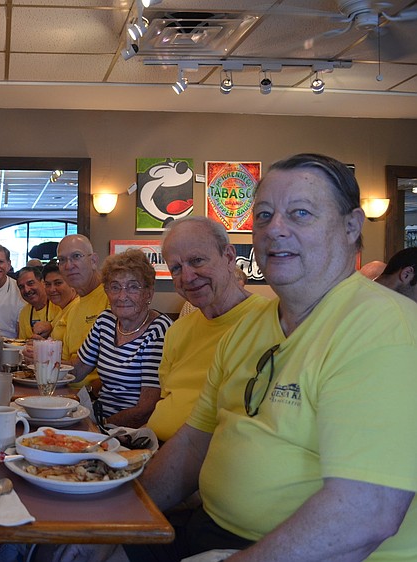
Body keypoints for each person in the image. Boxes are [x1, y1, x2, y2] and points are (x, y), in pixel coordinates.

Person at [130, 154, 417, 561]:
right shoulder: (250, 326)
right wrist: (120, 520)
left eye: (300, 213)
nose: (275, 229)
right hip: (212, 530)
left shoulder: (385, 330)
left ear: (351, 227)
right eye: (263, 216)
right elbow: (193, 444)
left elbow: (364, 516)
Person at [148, 216, 269, 443]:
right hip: (154, 448)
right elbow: (167, 400)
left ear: (229, 257)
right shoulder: (178, 331)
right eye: (176, 268)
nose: (187, 277)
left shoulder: (271, 322)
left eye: (197, 261)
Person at [68, 250, 172, 427]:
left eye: (133, 287)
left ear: (148, 293)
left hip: (133, 431)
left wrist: (100, 428)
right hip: (97, 415)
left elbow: (145, 409)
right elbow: (78, 370)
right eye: (115, 287)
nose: (122, 297)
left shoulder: (158, 330)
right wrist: (44, 363)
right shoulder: (106, 321)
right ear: (107, 291)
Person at [56, 234, 109, 388]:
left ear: (93, 261)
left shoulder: (113, 299)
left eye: (76, 256)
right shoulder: (72, 309)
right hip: (67, 392)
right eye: (62, 260)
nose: (68, 266)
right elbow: (66, 364)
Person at [31, 261, 79, 340]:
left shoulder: (77, 309)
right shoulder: (62, 310)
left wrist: (42, 347)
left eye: (58, 283)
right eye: (48, 284)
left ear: (72, 283)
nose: (52, 289)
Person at [16, 265, 60, 339]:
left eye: (30, 283)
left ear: (43, 282)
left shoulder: (58, 305)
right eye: (21, 287)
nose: (26, 290)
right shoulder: (24, 313)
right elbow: (22, 343)